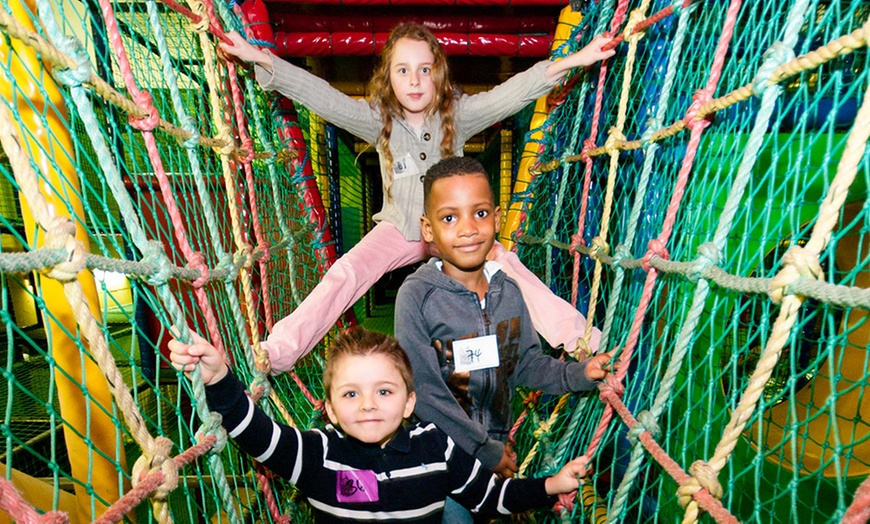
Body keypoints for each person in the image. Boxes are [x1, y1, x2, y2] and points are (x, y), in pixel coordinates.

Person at [218, 23, 615, 373]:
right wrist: (259, 58)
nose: (414, 81)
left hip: (452, 230)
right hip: (400, 229)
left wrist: (573, 61)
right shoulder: (378, 120)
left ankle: (582, 340)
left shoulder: (456, 116)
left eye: (425, 70)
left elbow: (511, 94)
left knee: (507, 267)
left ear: (438, 75)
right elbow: (322, 97)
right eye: (403, 70)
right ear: (388, 77)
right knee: (347, 273)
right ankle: (281, 349)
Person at [168, 326, 592, 523]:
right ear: (331, 409)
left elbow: (489, 496)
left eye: (384, 392)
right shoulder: (320, 455)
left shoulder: (436, 447)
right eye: (351, 394)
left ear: (410, 403)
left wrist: (550, 485)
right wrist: (219, 379)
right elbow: (258, 434)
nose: (368, 405)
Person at [394, 157, 619, 522]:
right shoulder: (417, 297)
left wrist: (580, 373)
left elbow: (527, 362)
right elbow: (423, 390)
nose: (468, 229)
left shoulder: (508, 292)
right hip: (439, 456)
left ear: (497, 219)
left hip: (494, 450)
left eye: (479, 213)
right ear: (428, 228)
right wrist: (483, 449)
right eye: (450, 218)